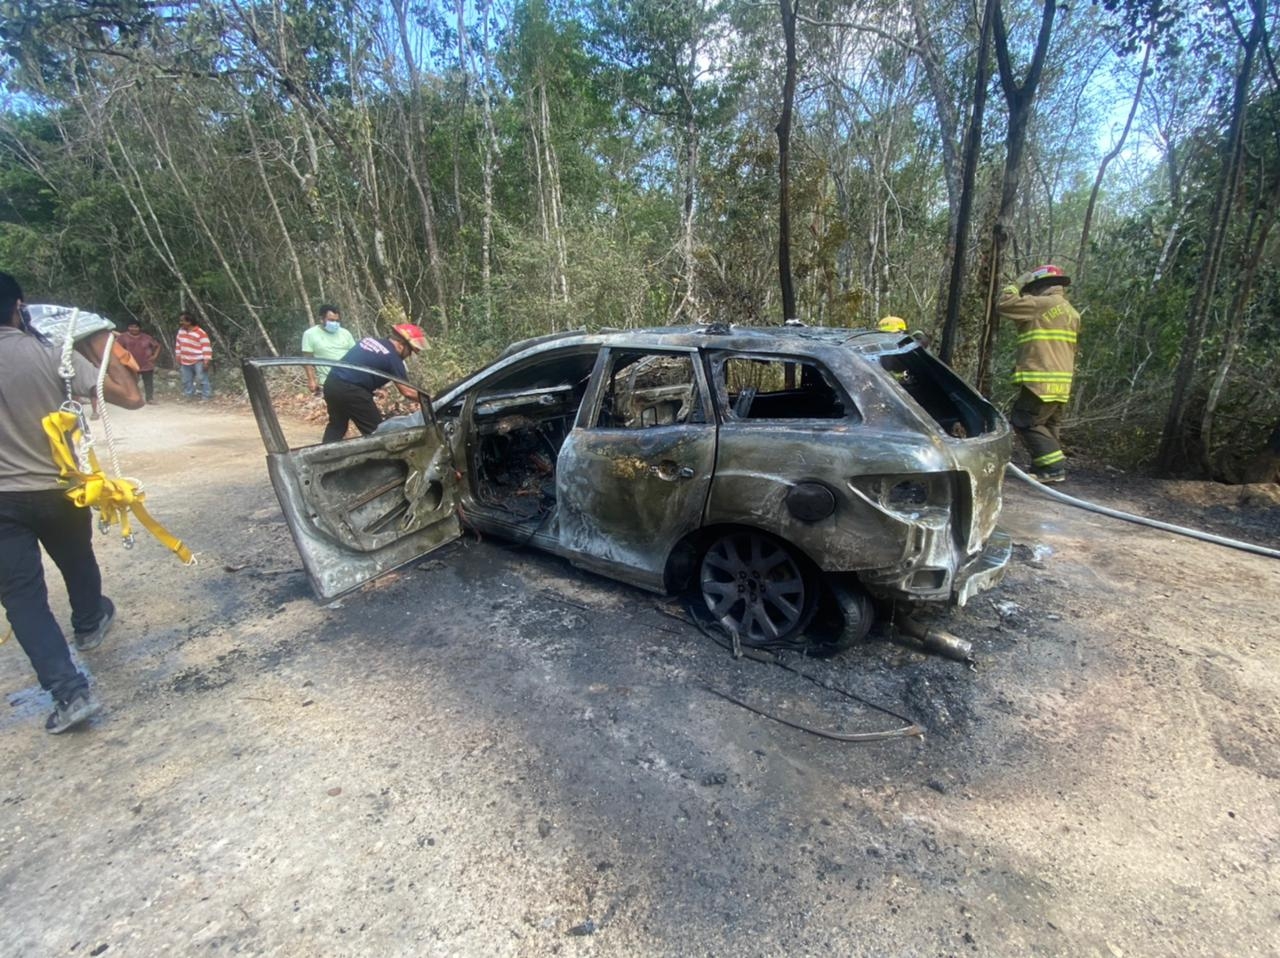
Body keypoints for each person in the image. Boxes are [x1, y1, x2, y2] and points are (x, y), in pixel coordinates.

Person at [0, 271, 143, 734]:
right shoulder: (50, 353)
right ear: (18, 306)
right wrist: (101, 346)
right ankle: (88, 621)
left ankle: (69, 693)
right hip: (61, 489)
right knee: (76, 557)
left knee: (22, 598)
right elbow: (129, 397)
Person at [997, 264, 1080, 483]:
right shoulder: (1072, 312)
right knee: (1049, 424)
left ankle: (1053, 468)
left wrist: (1016, 284)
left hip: (1040, 379)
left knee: (1025, 420)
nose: (1030, 292)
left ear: (1041, 285)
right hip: (1062, 382)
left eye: (1032, 288)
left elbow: (1005, 305)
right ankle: (1044, 468)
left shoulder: (1042, 304)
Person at [322, 323, 427, 443]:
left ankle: (319, 459)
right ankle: (385, 462)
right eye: (410, 351)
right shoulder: (393, 357)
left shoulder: (369, 341)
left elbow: (363, 364)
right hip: (352, 391)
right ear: (402, 344)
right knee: (379, 434)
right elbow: (407, 391)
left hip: (331, 383)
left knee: (337, 426)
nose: (409, 355)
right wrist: (430, 400)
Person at [301, 304, 356, 395]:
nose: (335, 323)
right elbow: (307, 360)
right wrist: (311, 380)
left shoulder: (345, 333)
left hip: (350, 380)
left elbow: (355, 355)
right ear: (321, 319)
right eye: (331, 320)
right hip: (328, 382)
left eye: (337, 320)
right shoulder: (310, 334)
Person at [117, 320, 163, 403]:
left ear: (139, 328)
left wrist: (155, 356)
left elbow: (158, 345)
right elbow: (117, 348)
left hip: (146, 363)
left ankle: (150, 399)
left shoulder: (146, 337)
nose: (133, 329)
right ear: (128, 327)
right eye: (131, 326)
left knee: (148, 382)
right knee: (132, 382)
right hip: (131, 364)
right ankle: (134, 398)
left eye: (136, 327)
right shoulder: (123, 337)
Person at [174, 311, 213, 401]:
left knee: (202, 379)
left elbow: (206, 347)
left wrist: (206, 361)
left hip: (198, 360)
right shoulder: (181, 331)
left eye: (182, 321)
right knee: (186, 380)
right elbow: (178, 344)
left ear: (189, 321)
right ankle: (188, 395)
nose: (180, 323)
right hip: (185, 360)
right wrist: (178, 355)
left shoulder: (200, 333)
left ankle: (206, 396)